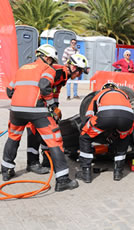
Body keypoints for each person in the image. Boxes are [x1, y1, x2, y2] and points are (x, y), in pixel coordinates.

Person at [2, 44, 79, 192]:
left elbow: (10, 91)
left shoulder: (23, 68)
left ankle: (6, 171)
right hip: (36, 108)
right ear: (48, 58)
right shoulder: (48, 69)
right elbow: (44, 86)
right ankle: (62, 180)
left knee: (13, 137)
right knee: (55, 140)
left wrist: (21, 99)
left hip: (16, 110)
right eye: (52, 60)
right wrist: (51, 106)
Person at [26, 54, 90, 175]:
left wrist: (55, 109)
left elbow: (55, 93)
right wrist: (52, 107)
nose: (79, 75)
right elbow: (44, 88)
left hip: (43, 106)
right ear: (72, 66)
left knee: (47, 133)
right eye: (79, 71)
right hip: (35, 104)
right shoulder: (58, 72)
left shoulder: (64, 77)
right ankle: (32, 163)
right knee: (33, 133)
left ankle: (46, 161)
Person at [76, 82, 134, 183]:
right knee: (123, 139)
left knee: (84, 137)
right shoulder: (124, 94)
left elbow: (89, 114)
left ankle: (85, 173)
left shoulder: (100, 94)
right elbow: (125, 111)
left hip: (106, 117)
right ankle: (118, 172)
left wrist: (88, 128)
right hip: (127, 119)